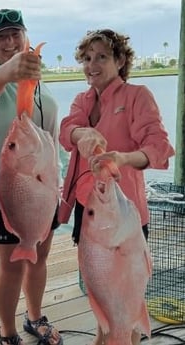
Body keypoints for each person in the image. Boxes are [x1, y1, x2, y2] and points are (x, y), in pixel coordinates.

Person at [58, 29, 175, 345]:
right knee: (100, 286)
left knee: (128, 295)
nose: (91, 65)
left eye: (101, 57)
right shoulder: (82, 100)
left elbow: (159, 147)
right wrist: (80, 135)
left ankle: (125, 337)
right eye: (87, 58)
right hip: (90, 209)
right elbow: (66, 128)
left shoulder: (137, 96)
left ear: (120, 60)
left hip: (125, 215)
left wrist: (122, 157)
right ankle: (105, 337)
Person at [0, 8, 63, 345]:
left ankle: (34, 317)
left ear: (25, 36)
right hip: (7, 193)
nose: (9, 41)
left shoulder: (37, 83)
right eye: (1, 36)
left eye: (15, 34)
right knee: (11, 267)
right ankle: (7, 333)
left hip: (46, 188)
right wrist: (11, 70)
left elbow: (51, 137)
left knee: (39, 257)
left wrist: (59, 187)